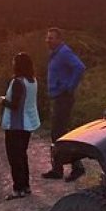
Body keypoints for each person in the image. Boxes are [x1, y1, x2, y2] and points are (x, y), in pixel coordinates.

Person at [42, 27, 86, 182]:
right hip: (58, 97)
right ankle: (58, 168)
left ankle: (76, 167)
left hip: (63, 98)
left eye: (51, 38)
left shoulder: (64, 52)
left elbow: (80, 67)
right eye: (47, 38)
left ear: (59, 39)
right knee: (58, 133)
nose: (48, 40)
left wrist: (69, 87)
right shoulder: (55, 54)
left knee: (60, 133)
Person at [0, 52, 41, 200]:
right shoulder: (33, 81)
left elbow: (15, 105)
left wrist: (2, 100)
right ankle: (25, 185)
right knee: (22, 155)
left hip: (16, 124)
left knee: (14, 157)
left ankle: (18, 188)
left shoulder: (17, 82)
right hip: (28, 123)